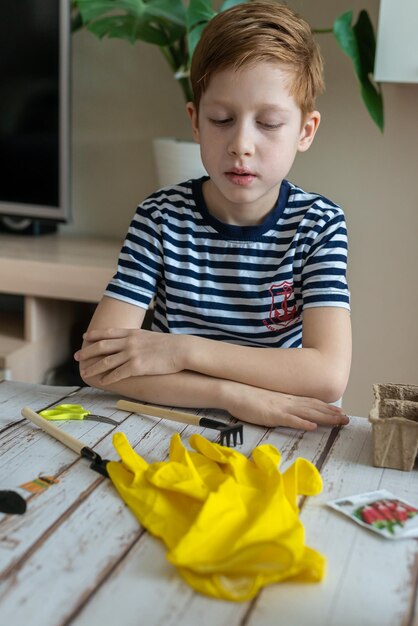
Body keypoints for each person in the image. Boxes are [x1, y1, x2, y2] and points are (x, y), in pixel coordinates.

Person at [74, 1, 352, 431]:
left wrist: (181, 351)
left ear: (305, 131)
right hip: (170, 424)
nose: (241, 143)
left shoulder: (319, 224)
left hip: (283, 430)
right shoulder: (159, 218)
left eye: (269, 123)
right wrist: (233, 395)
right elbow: (97, 365)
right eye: (222, 119)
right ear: (196, 122)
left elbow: (327, 375)